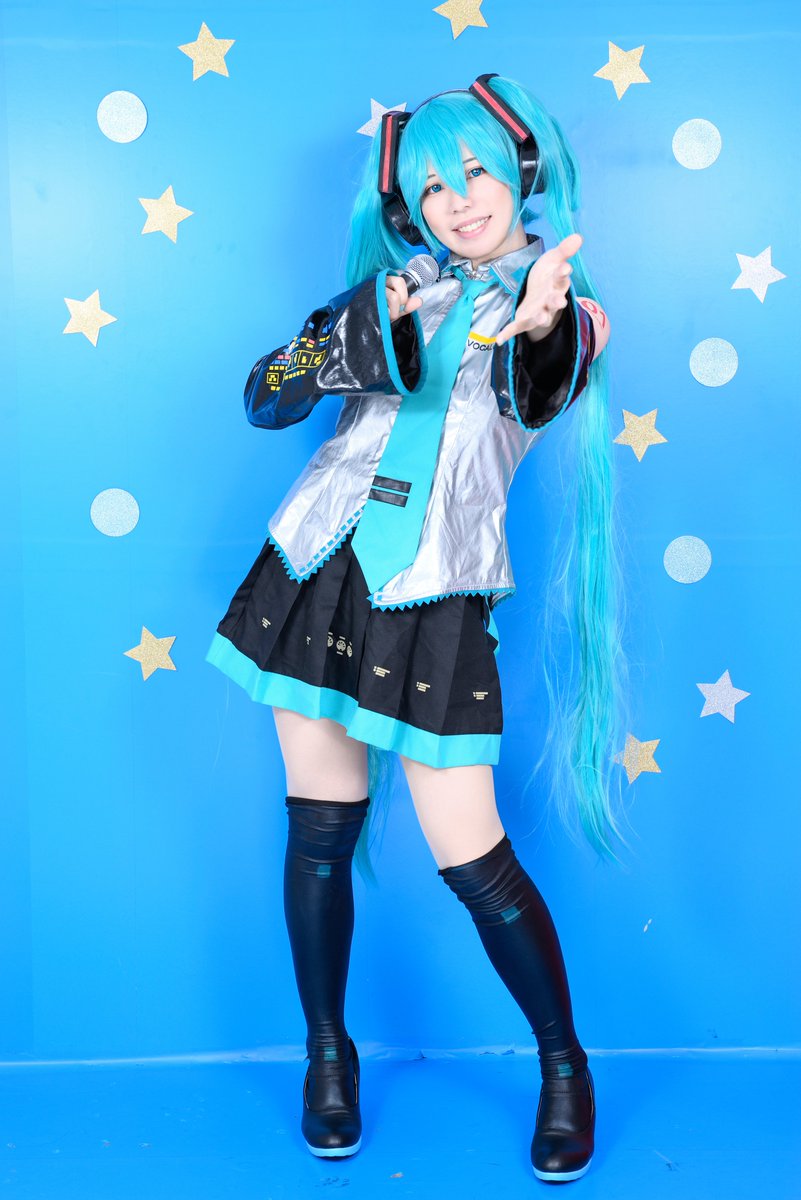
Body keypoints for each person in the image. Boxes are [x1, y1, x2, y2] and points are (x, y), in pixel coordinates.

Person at [205, 73, 630, 1183]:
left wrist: (540, 324)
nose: (458, 200)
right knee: (319, 830)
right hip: (314, 570)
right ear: (408, 202)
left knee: (473, 858)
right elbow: (266, 396)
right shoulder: (394, 290)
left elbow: (539, 389)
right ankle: (328, 1055)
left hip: (435, 590)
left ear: (523, 172)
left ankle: (564, 1066)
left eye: (477, 172)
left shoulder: (562, 313)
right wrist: (362, 325)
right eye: (434, 185)